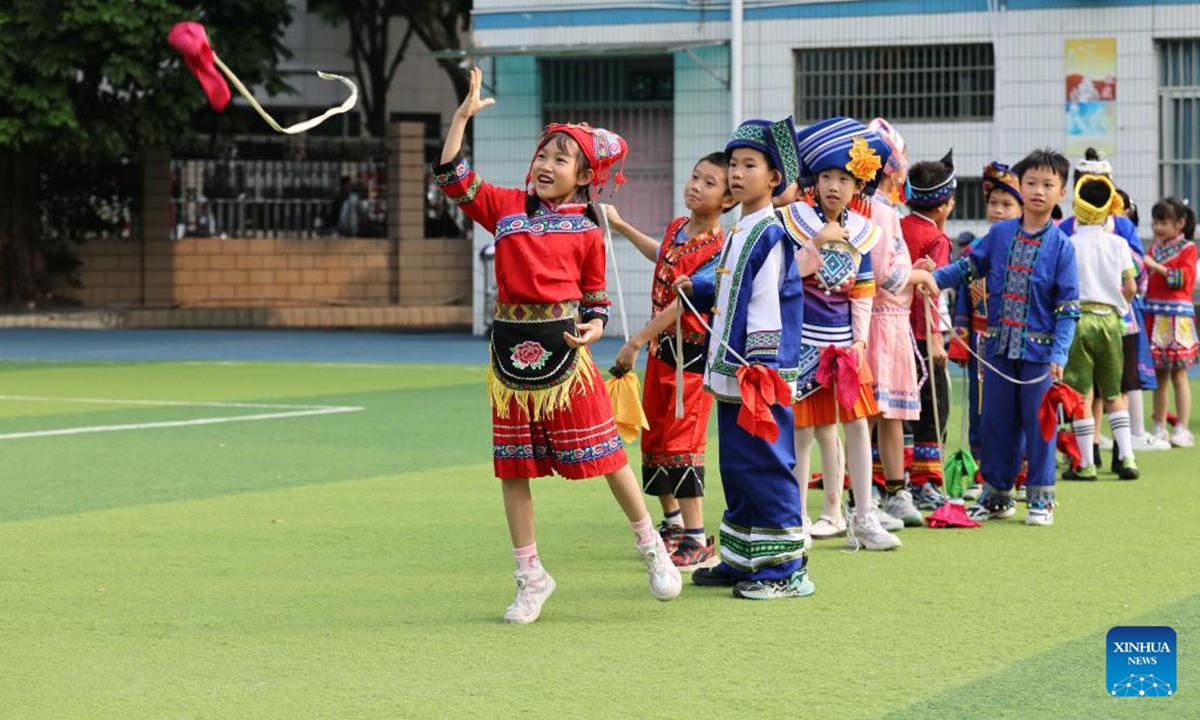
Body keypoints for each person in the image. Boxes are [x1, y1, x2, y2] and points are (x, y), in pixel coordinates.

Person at [432, 67, 681, 624]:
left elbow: (595, 300)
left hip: (569, 357)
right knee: (513, 468)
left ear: (584, 175)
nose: (547, 165)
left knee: (609, 457)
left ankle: (652, 547)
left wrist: (595, 327)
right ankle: (530, 575)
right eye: (543, 154)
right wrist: (460, 118)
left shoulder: (591, 229)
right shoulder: (503, 208)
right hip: (509, 358)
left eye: (562, 159)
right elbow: (451, 175)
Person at [681, 117, 813, 599]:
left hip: (760, 373)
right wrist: (696, 284)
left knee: (767, 463)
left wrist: (758, 367)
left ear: (775, 177)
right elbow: (730, 287)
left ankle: (786, 569)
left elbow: (765, 306)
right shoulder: (743, 229)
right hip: (736, 370)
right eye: (733, 164)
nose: (737, 173)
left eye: (749, 165)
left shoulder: (771, 234)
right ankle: (742, 558)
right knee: (738, 466)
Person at [913, 148, 1080, 527]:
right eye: (1032, 182)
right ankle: (997, 494)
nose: (1038, 190)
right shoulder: (1001, 234)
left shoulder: (1063, 248)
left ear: (1061, 192)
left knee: (1040, 426)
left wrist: (1060, 353)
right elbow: (968, 267)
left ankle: (1041, 499)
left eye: (1048, 184)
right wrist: (932, 280)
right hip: (998, 349)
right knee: (995, 423)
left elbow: (1067, 309)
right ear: (1021, 186)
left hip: (1039, 354)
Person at [606, 152, 736, 570]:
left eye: (709, 183)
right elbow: (660, 253)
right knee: (656, 437)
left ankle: (698, 539)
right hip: (664, 354)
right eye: (695, 177)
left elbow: (684, 304)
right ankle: (673, 524)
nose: (695, 185)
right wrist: (623, 226)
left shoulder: (721, 248)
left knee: (684, 443)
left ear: (728, 200)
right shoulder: (678, 229)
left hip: (692, 359)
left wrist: (637, 340)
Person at [783, 116, 901, 551]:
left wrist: (860, 340)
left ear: (858, 187)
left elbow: (864, 289)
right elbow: (783, 278)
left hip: (845, 344)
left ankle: (864, 517)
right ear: (815, 181)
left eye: (845, 179)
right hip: (803, 343)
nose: (835, 185)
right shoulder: (794, 220)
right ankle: (794, 519)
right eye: (827, 176)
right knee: (802, 433)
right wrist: (816, 243)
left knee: (857, 425)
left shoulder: (864, 230)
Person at [862, 118, 923, 528]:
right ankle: (866, 495)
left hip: (890, 321)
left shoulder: (880, 209)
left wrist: (914, 269)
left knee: (888, 413)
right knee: (873, 412)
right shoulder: (881, 212)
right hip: (881, 322)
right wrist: (919, 276)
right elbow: (887, 274)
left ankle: (893, 490)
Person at [951, 162, 1024, 500]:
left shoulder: (1027, 245)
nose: (998, 210)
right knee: (980, 411)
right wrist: (962, 333)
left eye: (1007, 204)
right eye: (994, 203)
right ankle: (984, 477)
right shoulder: (976, 248)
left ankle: (1020, 476)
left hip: (1019, 343)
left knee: (1019, 410)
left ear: (1023, 208)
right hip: (982, 343)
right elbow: (964, 295)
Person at [1061, 175, 1140, 480]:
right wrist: (1121, 308)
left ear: (1077, 210)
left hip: (1078, 321)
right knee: (1113, 392)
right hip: (1110, 320)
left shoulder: (1068, 244)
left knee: (1082, 393)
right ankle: (1128, 460)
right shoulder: (1118, 243)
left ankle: (1086, 464)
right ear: (1110, 210)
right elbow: (1130, 285)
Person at [901, 150, 956, 511]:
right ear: (944, 205)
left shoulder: (897, 226)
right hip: (921, 334)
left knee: (893, 410)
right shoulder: (936, 239)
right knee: (933, 408)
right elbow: (930, 292)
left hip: (889, 330)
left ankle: (890, 480)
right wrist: (935, 337)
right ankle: (925, 482)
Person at [1144, 196, 1198, 447]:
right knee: (1159, 375)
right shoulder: (1154, 248)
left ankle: (1183, 428)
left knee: (1179, 375)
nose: (1157, 227)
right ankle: (1159, 426)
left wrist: (1156, 266)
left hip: (1177, 317)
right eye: (1155, 222)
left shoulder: (1188, 248)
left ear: (1180, 223)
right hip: (1155, 315)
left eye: (1163, 222)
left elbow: (1183, 280)